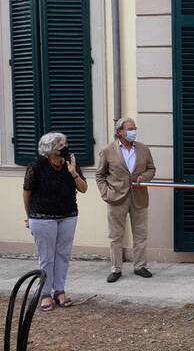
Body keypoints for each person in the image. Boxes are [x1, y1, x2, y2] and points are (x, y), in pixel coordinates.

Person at [23, 132, 88, 311]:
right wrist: (29, 216)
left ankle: (59, 291)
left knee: (63, 256)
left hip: (68, 215)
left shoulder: (71, 163)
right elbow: (27, 192)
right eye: (61, 145)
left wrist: (73, 172)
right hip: (42, 218)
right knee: (46, 257)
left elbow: (84, 189)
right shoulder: (36, 166)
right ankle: (45, 293)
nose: (65, 147)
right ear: (50, 149)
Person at [96, 118, 156, 283]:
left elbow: (152, 169)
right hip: (116, 198)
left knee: (141, 235)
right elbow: (100, 175)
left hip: (139, 197)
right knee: (116, 236)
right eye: (130, 128)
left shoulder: (143, 149)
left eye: (135, 128)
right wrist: (105, 193)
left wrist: (145, 176)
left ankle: (140, 266)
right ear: (120, 132)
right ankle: (116, 269)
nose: (134, 131)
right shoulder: (107, 150)